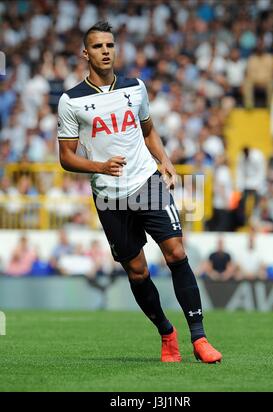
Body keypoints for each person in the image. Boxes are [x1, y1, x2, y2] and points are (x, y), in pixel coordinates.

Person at [57, 21, 221, 363]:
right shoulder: (71, 101)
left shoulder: (135, 88)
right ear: (86, 53)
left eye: (110, 45)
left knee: (176, 252)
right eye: (98, 46)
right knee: (138, 271)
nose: (105, 51)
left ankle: (200, 338)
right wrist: (99, 167)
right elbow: (66, 158)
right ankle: (166, 333)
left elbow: (149, 132)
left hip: (146, 182)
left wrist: (165, 161)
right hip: (108, 195)